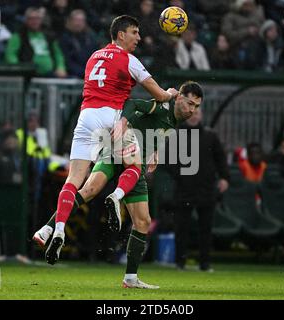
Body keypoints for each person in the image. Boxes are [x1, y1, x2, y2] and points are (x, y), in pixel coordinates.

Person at [34, 81, 203, 288]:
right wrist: (123, 122)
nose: (192, 110)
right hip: (126, 153)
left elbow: (156, 128)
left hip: (123, 155)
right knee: (93, 192)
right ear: (179, 97)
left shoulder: (174, 117)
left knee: (140, 220)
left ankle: (48, 229)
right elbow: (133, 105)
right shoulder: (163, 104)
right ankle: (115, 198)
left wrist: (156, 150)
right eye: (190, 103)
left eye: (196, 106)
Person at [44, 15, 178, 265]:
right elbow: (159, 95)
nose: (138, 38)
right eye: (134, 32)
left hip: (85, 118)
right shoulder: (130, 60)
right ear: (120, 35)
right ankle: (116, 196)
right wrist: (169, 93)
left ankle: (58, 228)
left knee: (73, 180)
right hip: (111, 117)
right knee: (135, 165)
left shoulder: (93, 56)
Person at [167, 107, 229, 272]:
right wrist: (179, 175)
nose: (194, 116)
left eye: (197, 113)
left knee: (206, 228)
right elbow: (168, 159)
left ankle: (205, 263)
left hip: (206, 188)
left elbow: (221, 159)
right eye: (191, 113)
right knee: (181, 227)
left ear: (201, 115)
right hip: (183, 189)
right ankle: (180, 262)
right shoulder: (176, 135)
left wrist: (224, 178)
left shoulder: (211, 136)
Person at [5, 7, 67, 78]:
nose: (35, 21)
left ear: (41, 20)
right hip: (28, 74)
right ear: (26, 20)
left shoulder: (49, 35)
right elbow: (10, 54)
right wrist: (19, 69)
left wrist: (60, 67)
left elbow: (58, 53)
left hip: (50, 73)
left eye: (37, 18)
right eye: (31, 18)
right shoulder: (19, 36)